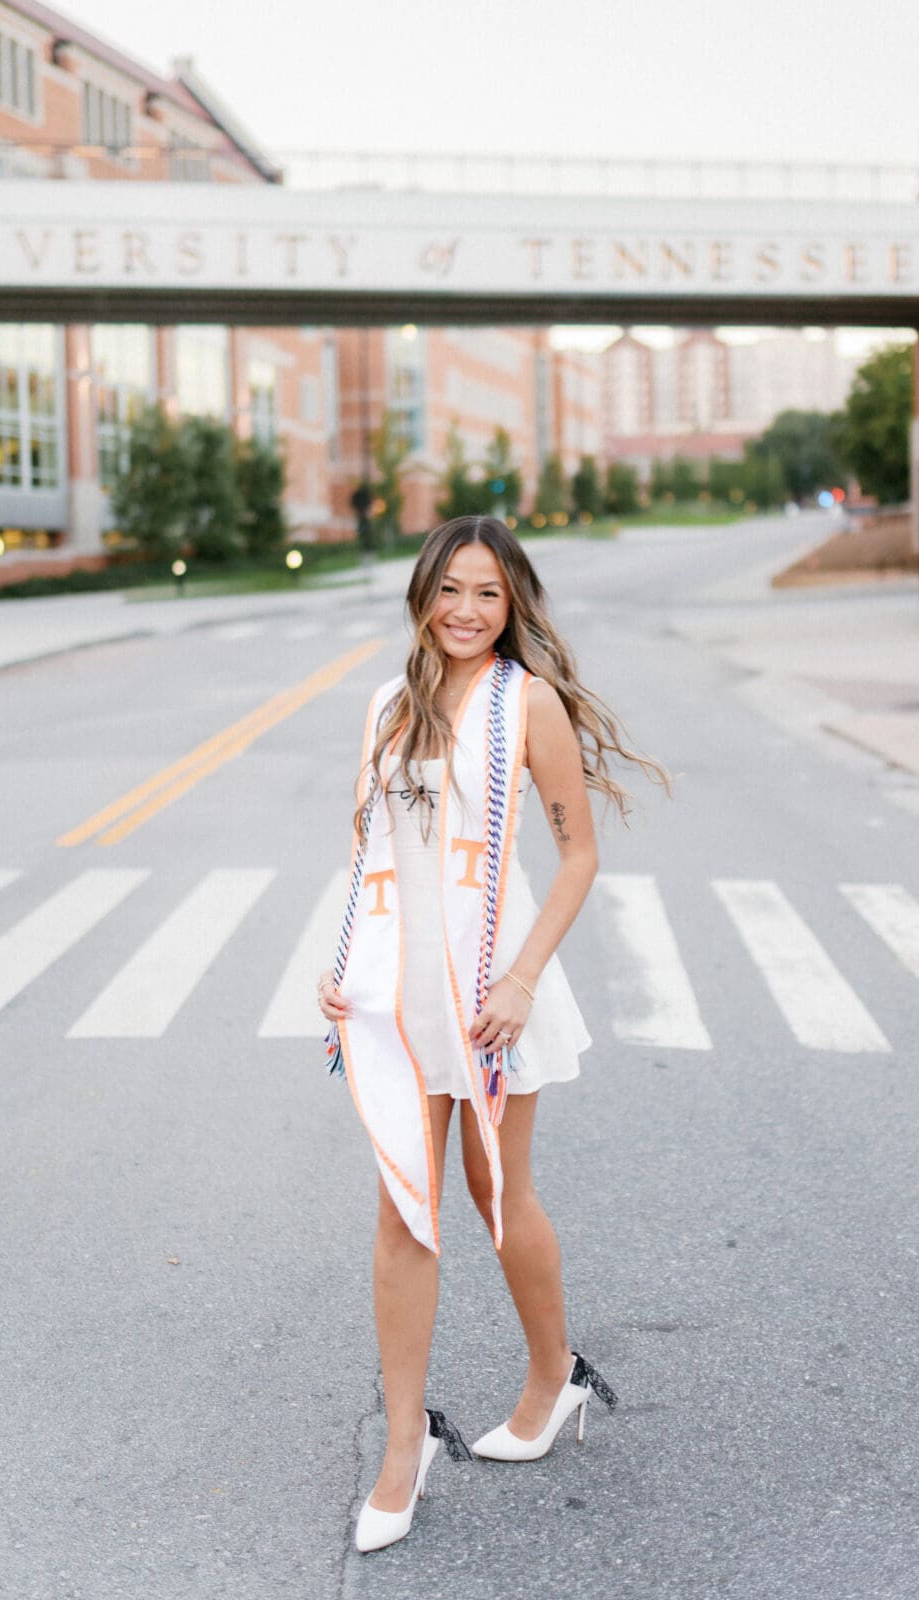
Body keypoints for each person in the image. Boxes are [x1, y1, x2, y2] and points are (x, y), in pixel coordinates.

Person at [317, 514, 668, 1553]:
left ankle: (554, 1377)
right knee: (404, 1210)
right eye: (450, 589)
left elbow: (578, 857)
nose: (466, 611)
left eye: (488, 593)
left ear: (512, 604)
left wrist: (522, 980)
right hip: (398, 985)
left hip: (489, 985)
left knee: (494, 1188)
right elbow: (370, 848)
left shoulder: (528, 703)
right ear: (421, 594)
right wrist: (341, 962)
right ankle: (403, 1446)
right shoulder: (387, 705)